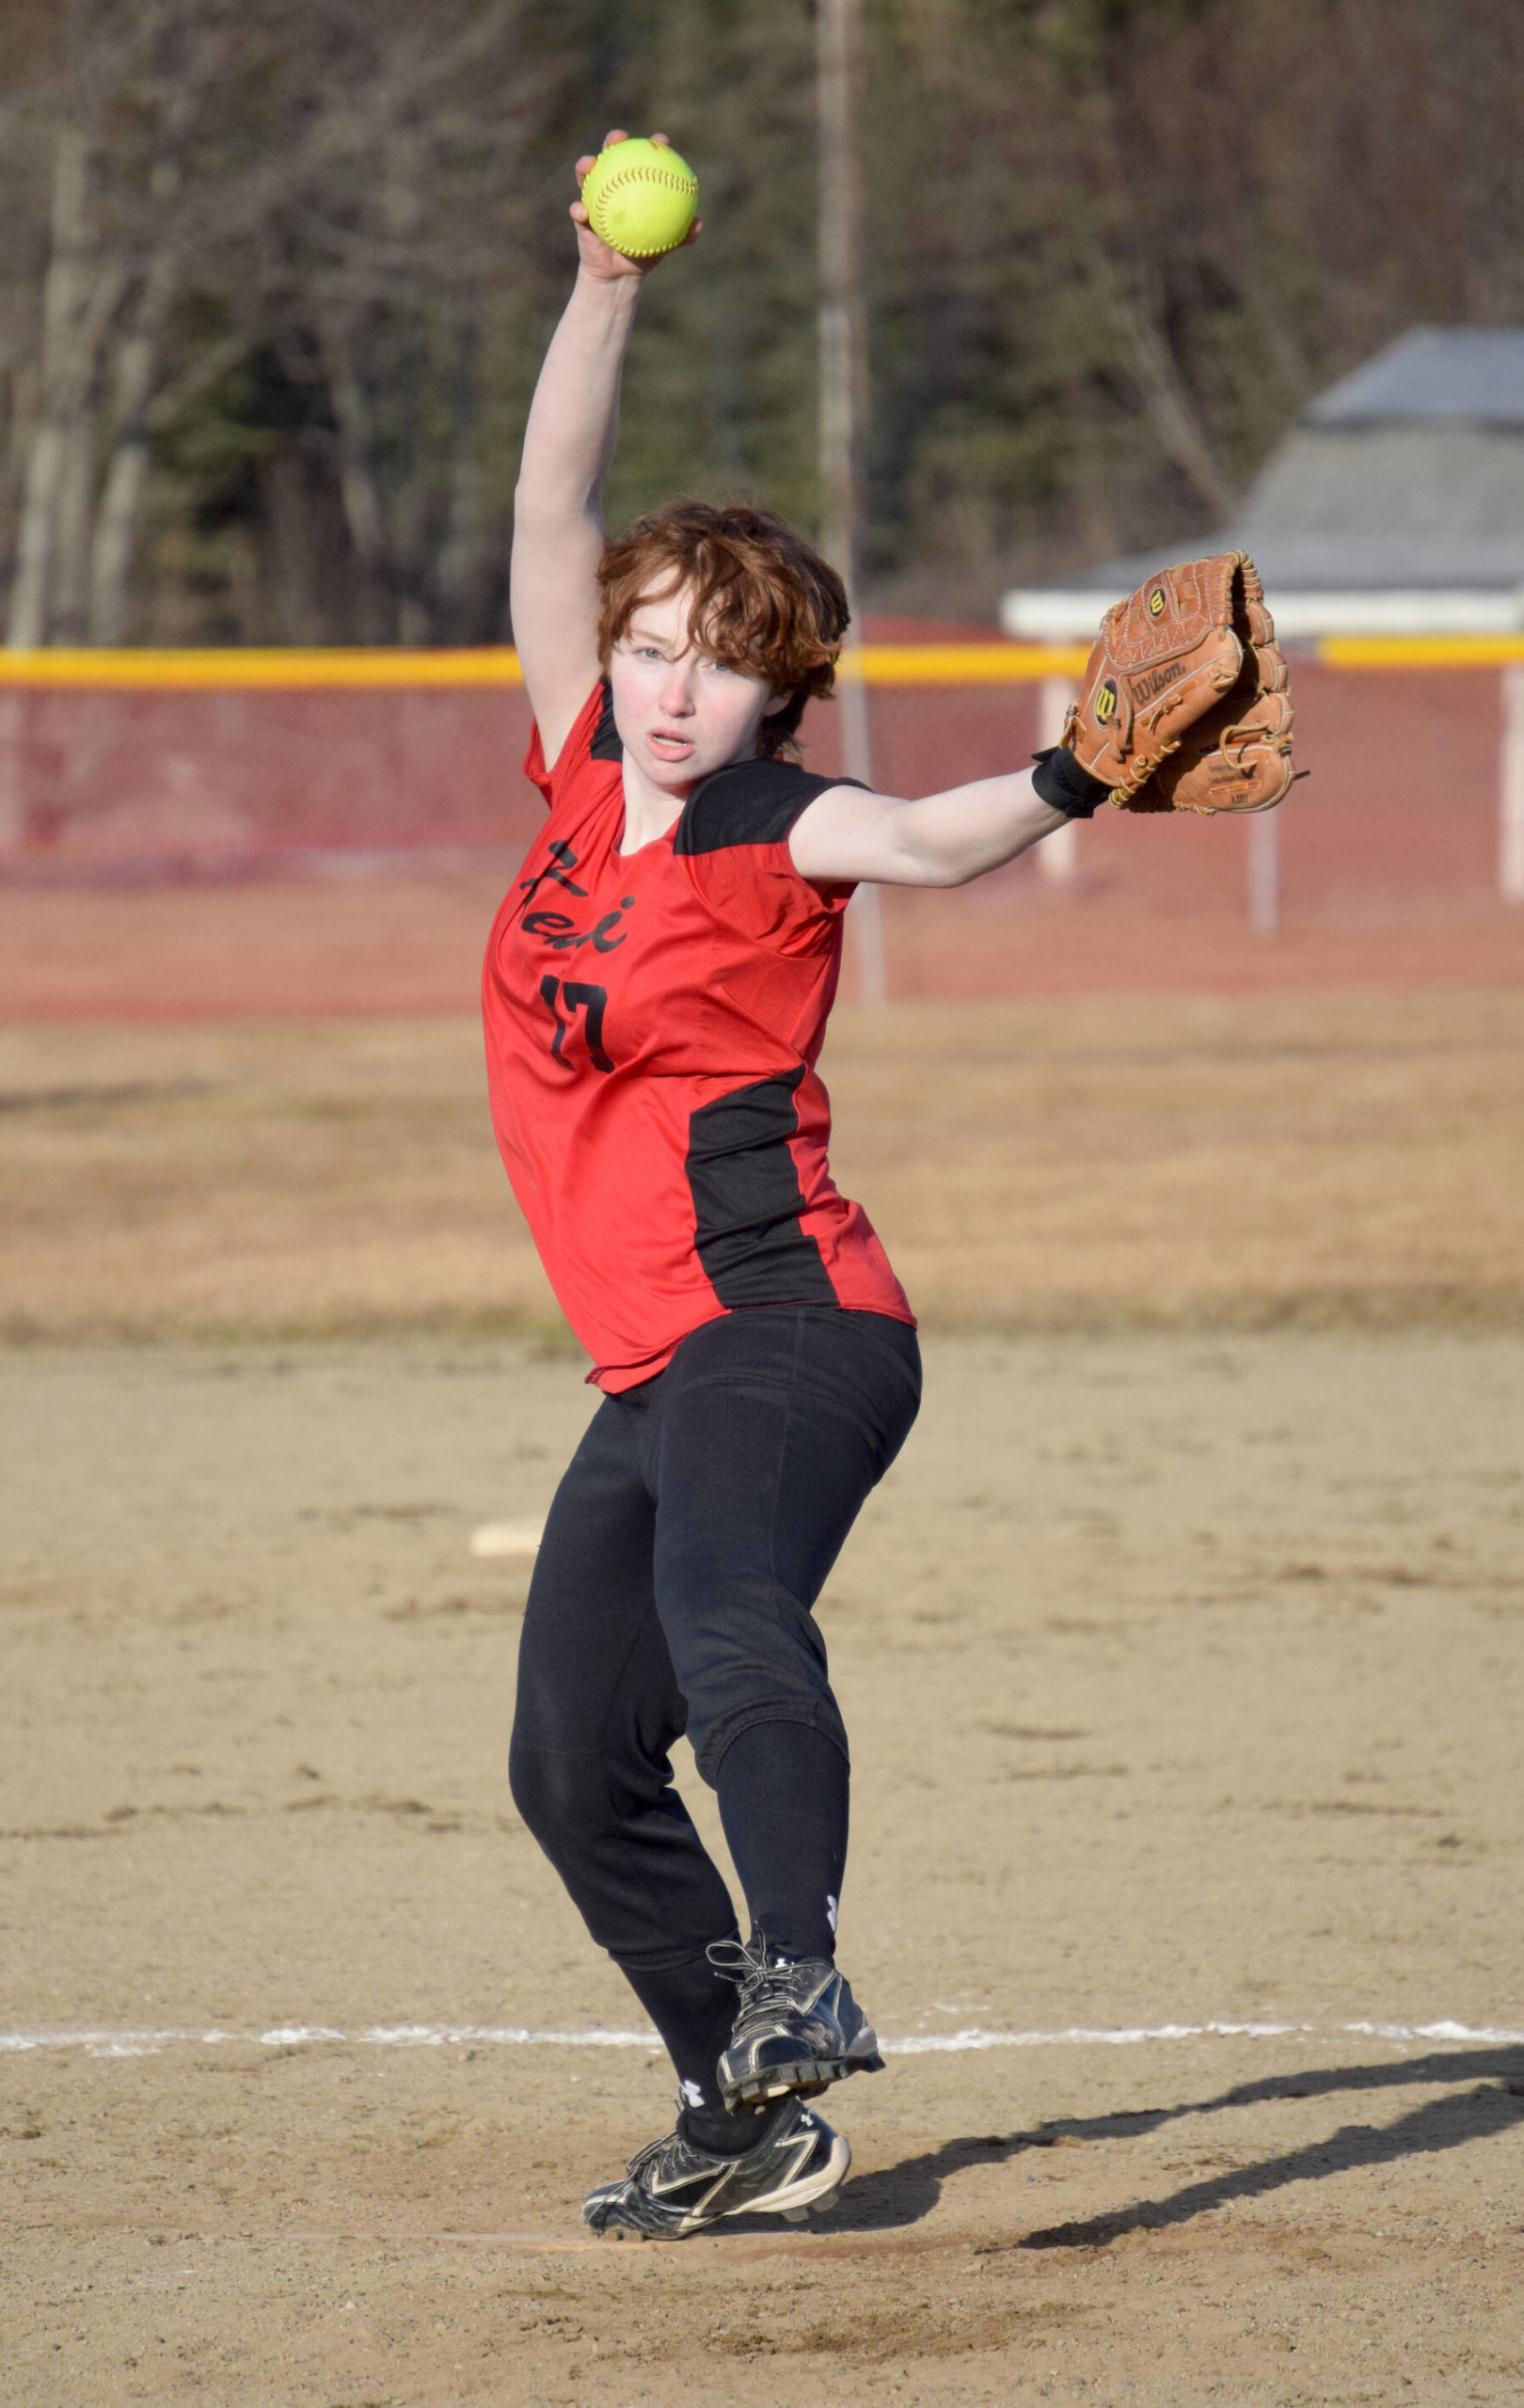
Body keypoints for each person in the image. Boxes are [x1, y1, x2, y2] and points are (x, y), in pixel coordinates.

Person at [484, 132, 1112, 2242]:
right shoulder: (583, 765)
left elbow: (934, 841)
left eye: (716, 655)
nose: (669, 683)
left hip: (793, 1321)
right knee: (572, 1756)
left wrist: (1075, 773)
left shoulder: (786, 822)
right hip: (655, 1358)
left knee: (726, 1611)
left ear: (780, 688)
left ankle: (803, 1967)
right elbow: (548, 506)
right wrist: (606, 286)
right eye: (652, 640)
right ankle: (743, 2106)